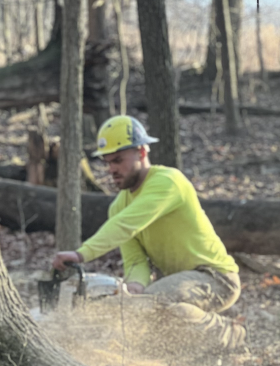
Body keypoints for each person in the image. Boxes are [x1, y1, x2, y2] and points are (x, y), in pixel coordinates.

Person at [52, 115, 245, 347]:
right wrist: (135, 287)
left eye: (118, 160)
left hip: (216, 278)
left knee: (155, 301)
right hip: (175, 282)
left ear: (142, 152)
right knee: (139, 309)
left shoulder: (168, 182)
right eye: (108, 162)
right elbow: (136, 261)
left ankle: (232, 335)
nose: (112, 169)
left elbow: (126, 225)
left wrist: (81, 254)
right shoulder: (118, 206)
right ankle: (200, 353)